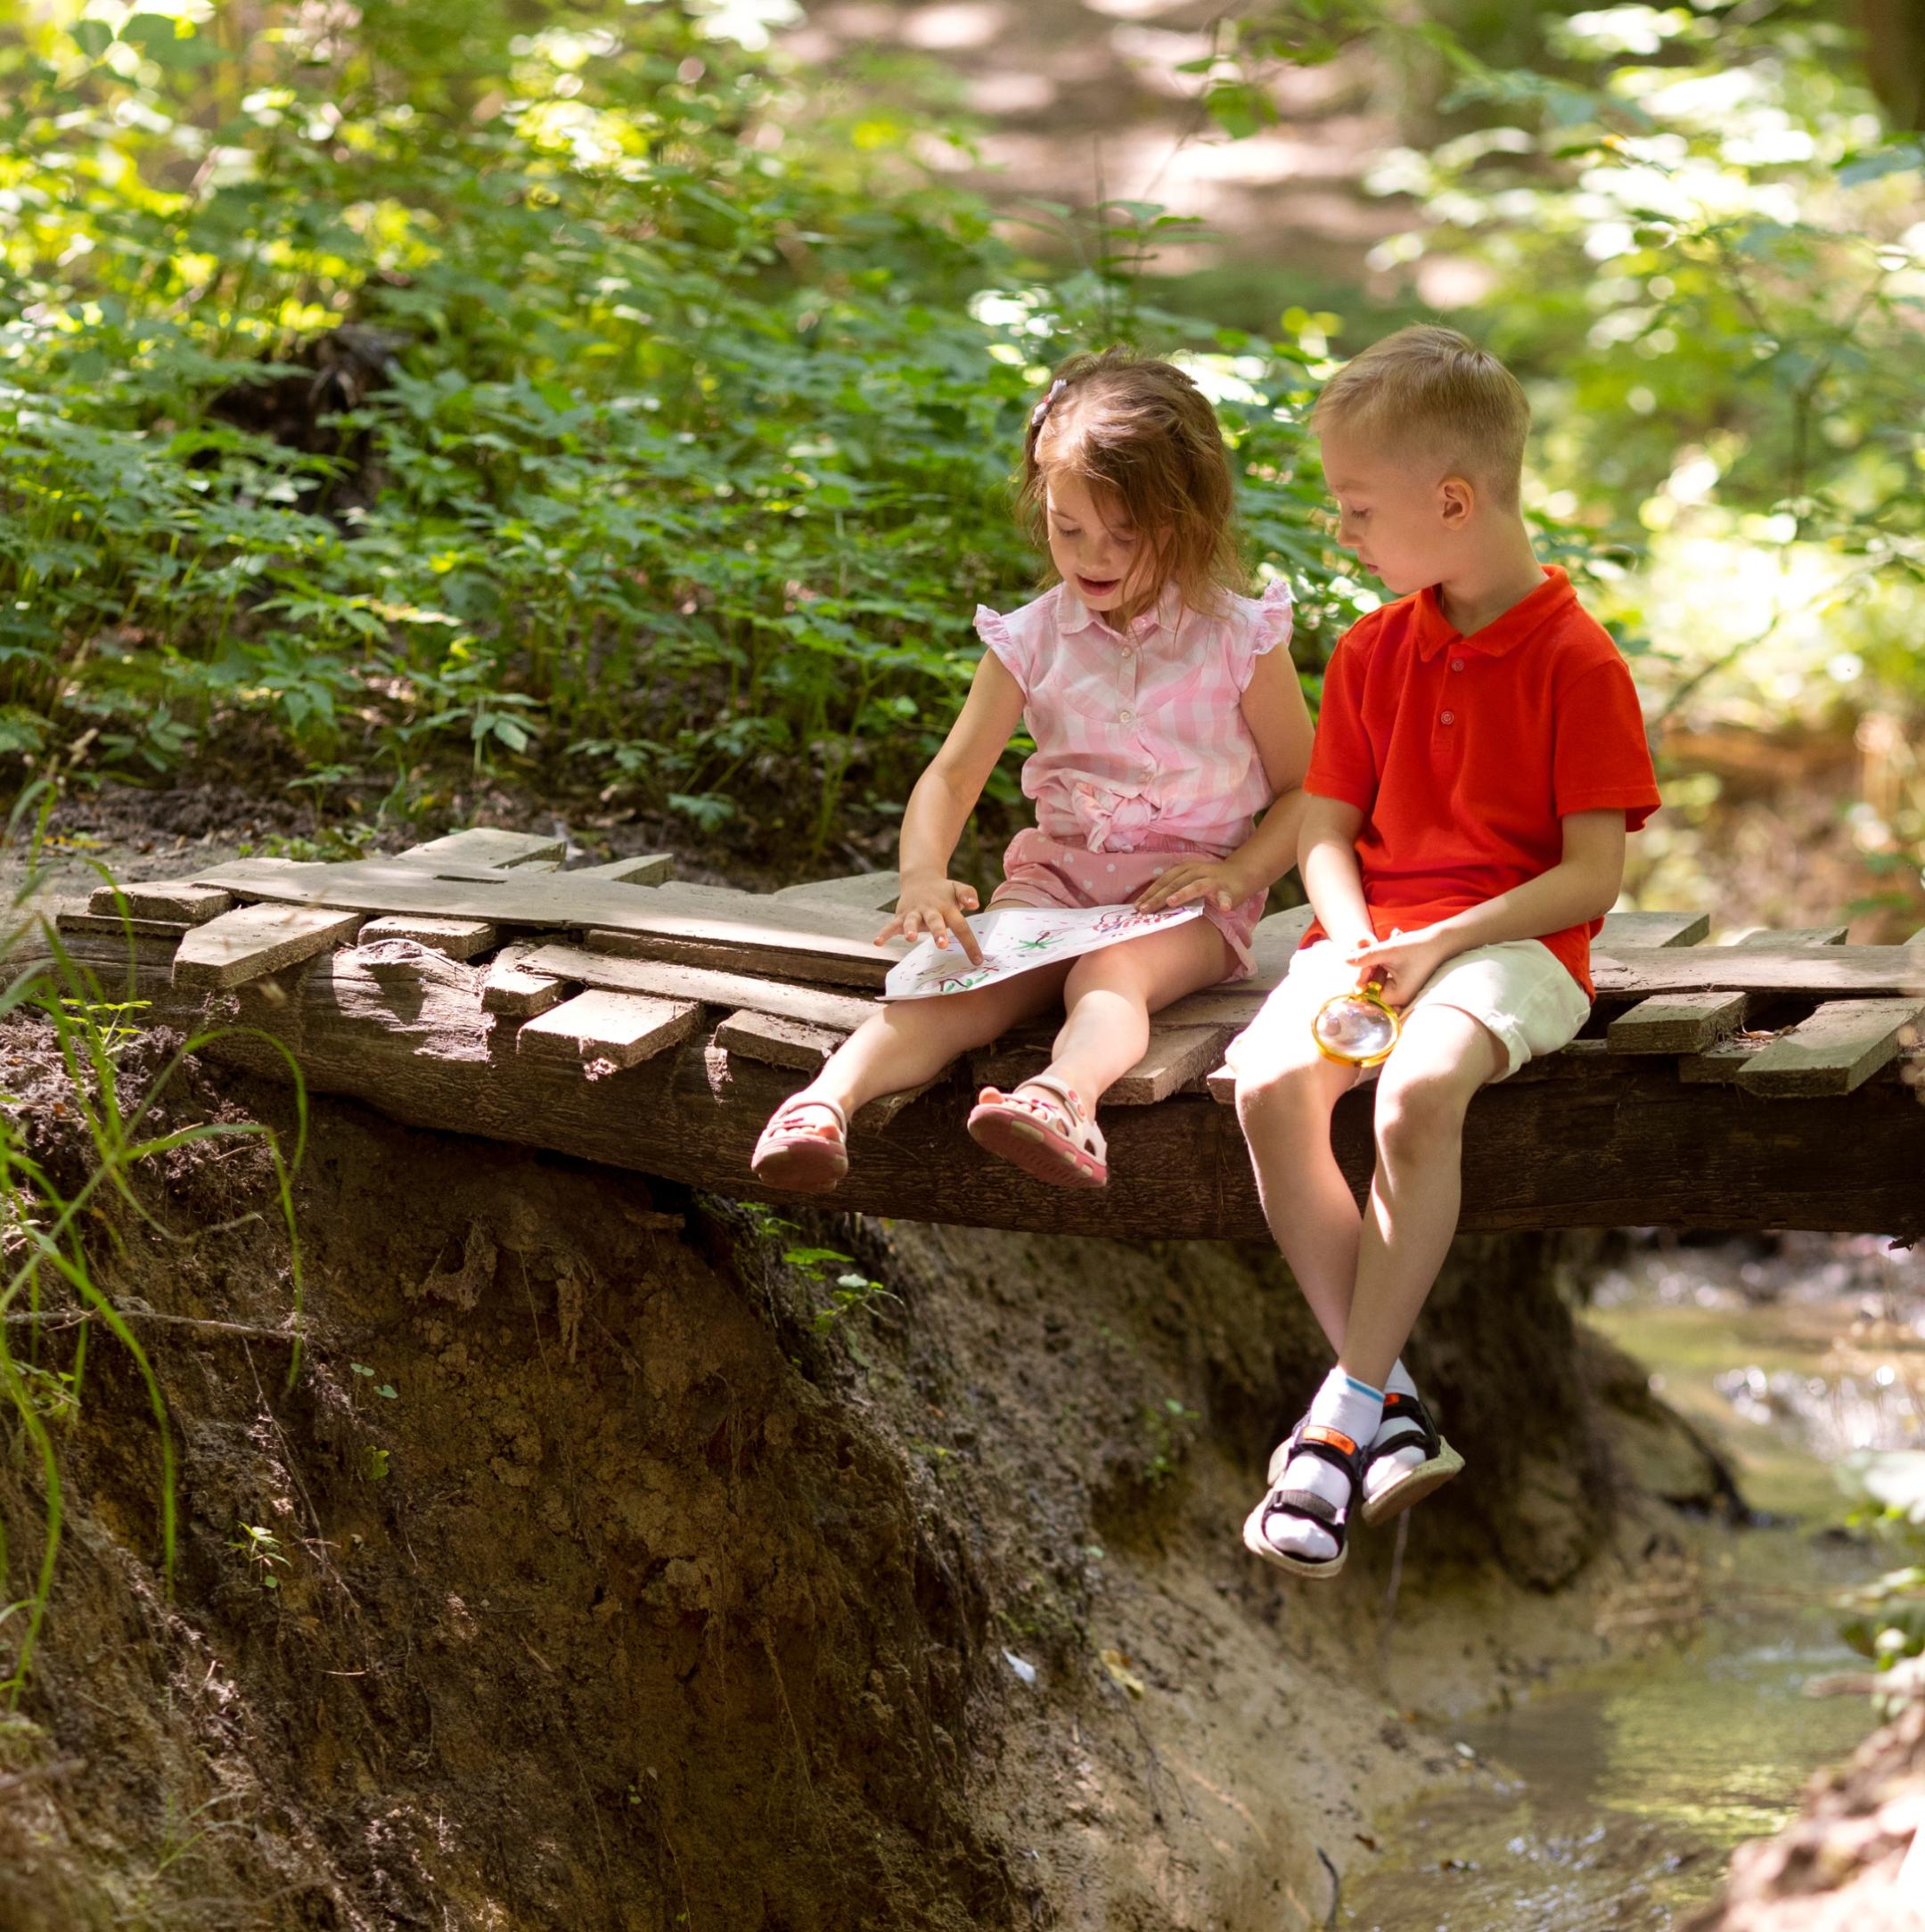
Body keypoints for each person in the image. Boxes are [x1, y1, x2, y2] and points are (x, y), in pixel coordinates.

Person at [1230, 325, 1660, 1578]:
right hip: (1371, 943)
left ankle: (1336, 1421)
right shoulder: (1372, 651)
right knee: (1267, 1088)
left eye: (1359, 508)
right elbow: (1326, 833)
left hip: (1511, 948)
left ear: (1453, 500)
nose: (1344, 533)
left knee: (1417, 1095)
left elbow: (1590, 879)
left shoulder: (1580, 663)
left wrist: (1440, 943)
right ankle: (1390, 1405)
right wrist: (1360, 935)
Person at [750, 347, 1313, 1192]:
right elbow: (951, 776)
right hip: (1056, 885)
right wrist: (922, 877)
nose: (1093, 554)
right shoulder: (1030, 639)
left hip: (1186, 902)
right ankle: (824, 1102)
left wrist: (1241, 873)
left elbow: (1310, 789)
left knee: (1110, 974)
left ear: (1189, 521)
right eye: (1067, 526)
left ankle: (1063, 1100)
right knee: (961, 985)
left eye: (1126, 534)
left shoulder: (1240, 638)